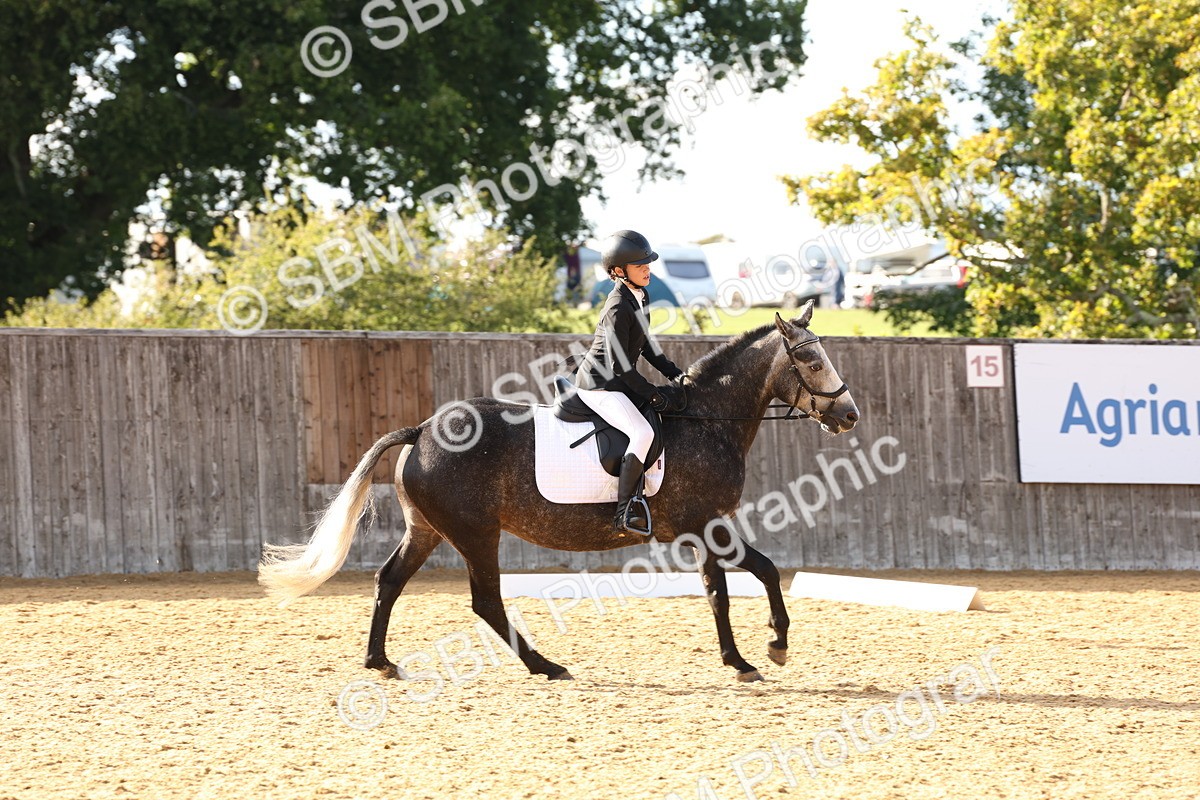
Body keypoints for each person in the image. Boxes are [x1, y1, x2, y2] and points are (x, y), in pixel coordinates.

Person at [572, 230, 686, 537]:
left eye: (648, 263)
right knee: (641, 431)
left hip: (617, 381)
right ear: (618, 271)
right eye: (640, 265)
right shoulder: (617, 307)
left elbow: (646, 345)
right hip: (599, 385)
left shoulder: (641, 295)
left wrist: (676, 374)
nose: (648, 268)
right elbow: (619, 366)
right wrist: (652, 395)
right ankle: (625, 511)